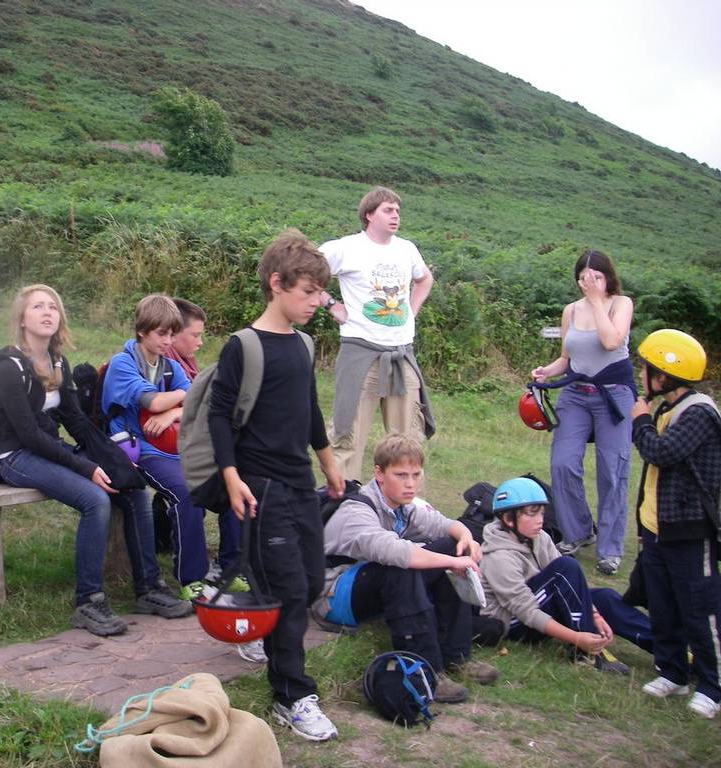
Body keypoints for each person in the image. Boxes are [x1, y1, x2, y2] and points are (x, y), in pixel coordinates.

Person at [0, 284, 191, 636]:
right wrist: (87, 468)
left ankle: (149, 588)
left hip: (44, 448)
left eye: (53, 306)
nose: (48, 312)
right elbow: (28, 434)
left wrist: (115, 463)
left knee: (134, 488)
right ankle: (89, 601)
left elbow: (76, 421)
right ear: (21, 319)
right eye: (37, 307)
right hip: (13, 456)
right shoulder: (9, 367)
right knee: (95, 499)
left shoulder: (56, 361)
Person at [208, 229, 345, 741]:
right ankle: (292, 695)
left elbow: (308, 409)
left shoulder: (304, 344)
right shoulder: (243, 345)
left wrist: (328, 463)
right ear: (277, 284)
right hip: (260, 484)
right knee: (291, 591)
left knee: (309, 582)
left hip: (299, 480)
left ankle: (259, 626)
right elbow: (220, 415)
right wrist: (231, 476)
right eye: (308, 292)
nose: (316, 303)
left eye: (319, 293)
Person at [314, 434, 500, 703]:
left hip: (368, 580)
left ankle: (457, 657)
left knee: (449, 546)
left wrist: (466, 539)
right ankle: (425, 670)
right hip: (334, 598)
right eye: (401, 475)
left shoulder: (402, 507)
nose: (411, 484)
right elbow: (396, 552)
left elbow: (443, 525)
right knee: (402, 567)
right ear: (379, 473)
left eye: (416, 474)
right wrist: (452, 562)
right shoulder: (358, 510)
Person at [629, 329, 721, 719]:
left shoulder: (699, 413)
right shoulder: (667, 408)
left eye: (646, 368)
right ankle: (672, 671)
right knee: (663, 604)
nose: (641, 374)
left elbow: (662, 452)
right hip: (657, 528)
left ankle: (713, 685)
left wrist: (640, 421)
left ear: (663, 375)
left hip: (689, 529)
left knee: (698, 608)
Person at [319, 185, 436, 482]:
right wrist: (332, 305)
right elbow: (305, 270)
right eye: (388, 210)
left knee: (408, 438)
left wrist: (412, 309)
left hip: (401, 354)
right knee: (348, 433)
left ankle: (407, 511)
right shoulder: (345, 248)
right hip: (360, 351)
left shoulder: (406, 248)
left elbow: (424, 280)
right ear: (369, 215)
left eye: (397, 210)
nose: (395, 215)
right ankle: (342, 505)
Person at [531, 250, 636, 574]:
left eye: (596, 278)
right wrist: (547, 371)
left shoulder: (621, 304)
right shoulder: (570, 311)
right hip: (576, 393)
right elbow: (567, 357)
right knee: (562, 462)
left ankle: (610, 549)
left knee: (611, 470)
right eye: (583, 278)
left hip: (613, 394)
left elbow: (610, 341)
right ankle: (578, 533)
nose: (588, 283)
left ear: (607, 278)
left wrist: (596, 301)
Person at [101, 295, 211, 599]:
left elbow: (197, 398)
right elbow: (153, 401)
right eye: (161, 333)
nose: (167, 341)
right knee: (185, 493)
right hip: (138, 451)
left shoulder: (168, 366)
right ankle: (192, 579)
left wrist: (173, 408)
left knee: (220, 482)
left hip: (172, 448)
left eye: (171, 334)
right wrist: (178, 397)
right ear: (142, 331)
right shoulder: (123, 364)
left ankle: (231, 568)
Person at [479, 478, 628, 673]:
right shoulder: (498, 557)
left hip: (538, 604)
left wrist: (595, 614)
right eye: (532, 514)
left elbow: (571, 584)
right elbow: (527, 612)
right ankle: (584, 652)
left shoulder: (541, 538)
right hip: (514, 622)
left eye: (541, 512)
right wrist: (576, 638)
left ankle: (665, 648)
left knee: (605, 598)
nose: (540, 519)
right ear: (508, 518)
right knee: (566, 566)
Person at [161, 297, 242, 585]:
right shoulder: (166, 362)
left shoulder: (187, 362)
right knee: (216, 479)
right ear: (172, 332)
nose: (200, 342)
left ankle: (232, 565)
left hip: (192, 446)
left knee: (239, 474)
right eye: (194, 335)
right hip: (167, 450)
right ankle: (206, 572)